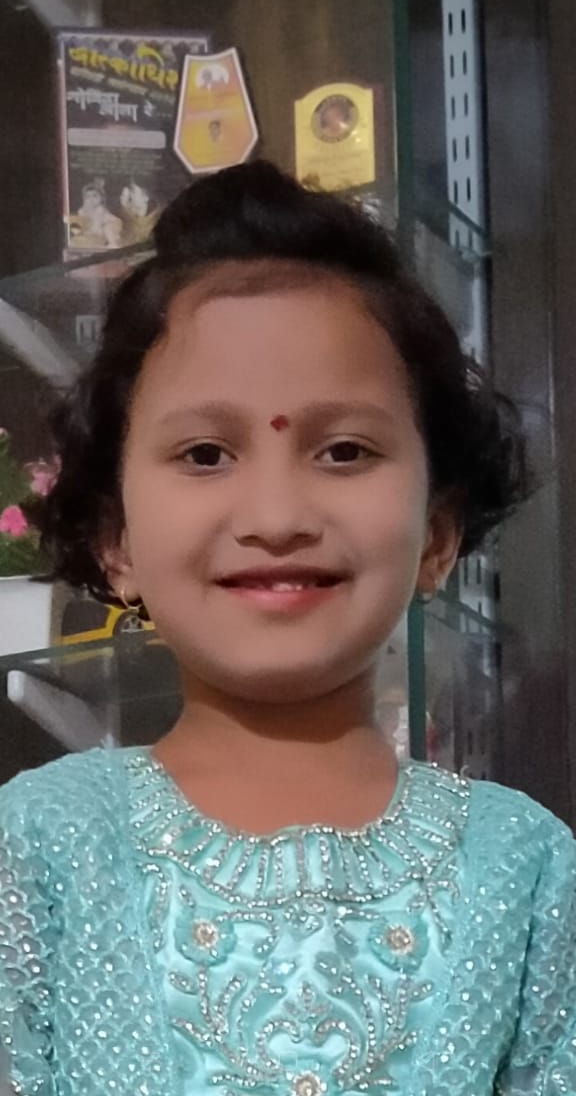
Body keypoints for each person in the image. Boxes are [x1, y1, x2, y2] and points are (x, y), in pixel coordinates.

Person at [0, 161, 574, 1096]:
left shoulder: (525, 869)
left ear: (437, 535)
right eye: (205, 453)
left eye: (343, 450)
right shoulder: (39, 848)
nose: (276, 516)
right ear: (117, 542)